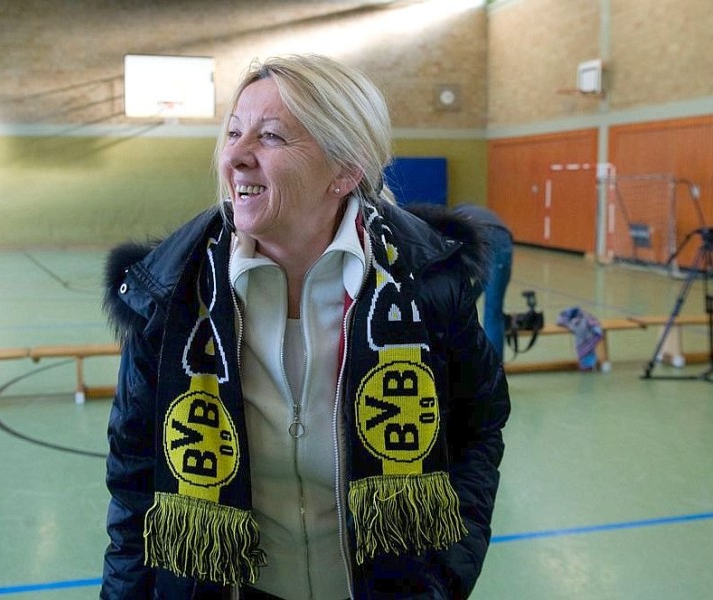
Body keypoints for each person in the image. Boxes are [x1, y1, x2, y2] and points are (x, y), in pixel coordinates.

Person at [101, 54, 510, 600]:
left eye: (269, 137)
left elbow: (477, 429)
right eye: (233, 133)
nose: (237, 157)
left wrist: (446, 570)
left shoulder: (427, 282)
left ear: (345, 171)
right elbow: (134, 478)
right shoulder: (170, 294)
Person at [449, 204, 513, 358]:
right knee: (494, 312)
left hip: (477, 232)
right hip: (503, 238)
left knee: (461, 306)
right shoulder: (470, 213)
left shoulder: (451, 220)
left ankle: (459, 358)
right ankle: (495, 370)